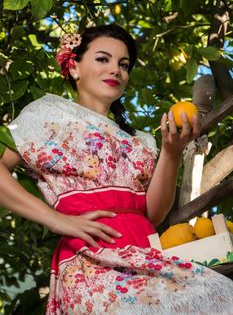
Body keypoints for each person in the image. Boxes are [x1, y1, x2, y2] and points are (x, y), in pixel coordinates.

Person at [0, 24, 233, 315]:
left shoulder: (141, 141)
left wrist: (171, 152)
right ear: (74, 68)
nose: (116, 70)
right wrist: (56, 219)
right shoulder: (45, 114)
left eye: (123, 64)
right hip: (91, 260)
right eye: (102, 59)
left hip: (148, 256)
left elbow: (153, 213)